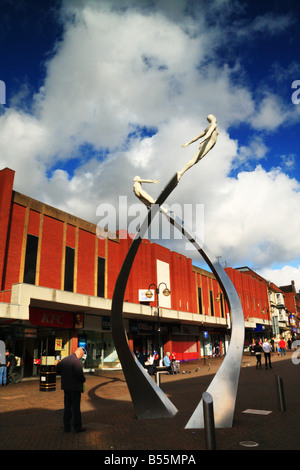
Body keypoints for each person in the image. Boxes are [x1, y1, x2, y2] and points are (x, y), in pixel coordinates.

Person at [177, 114, 219, 181]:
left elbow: (198, 136)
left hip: (206, 143)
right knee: (194, 159)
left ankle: (181, 172)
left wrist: (188, 143)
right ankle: (181, 172)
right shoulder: (214, 124)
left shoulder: (207, 127)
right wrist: (205, 138)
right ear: (214, 117)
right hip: (208, 143)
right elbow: (210, 132)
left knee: (196, 160)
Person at [56, 347, 86, 433]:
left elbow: (57, 369)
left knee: (67, 408)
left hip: (66, 387)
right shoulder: (77, 362)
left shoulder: (65, 360)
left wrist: (64, 375)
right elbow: (80, 376)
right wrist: (83, 380)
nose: (81, 357)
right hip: (75, 388)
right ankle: (77, 427)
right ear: (80, 354)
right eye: (82, 355)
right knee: (76, 408)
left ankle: (67, 427)